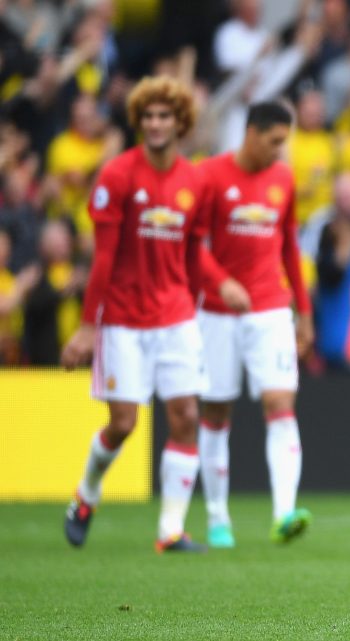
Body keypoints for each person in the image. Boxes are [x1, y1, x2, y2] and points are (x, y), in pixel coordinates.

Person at [61, 76, 210, 553]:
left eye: (164, 116)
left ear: (179, 122)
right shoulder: (117, 175)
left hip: (176, 316)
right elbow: (102, 258)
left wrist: (221, 283)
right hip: (123, 319)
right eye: (148, 116)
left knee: (186, 414)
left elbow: (194, 255)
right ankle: (86, 494)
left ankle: (170, 531)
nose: (155, 124)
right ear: (138, 122)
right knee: (123, 423)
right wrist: (88, 325)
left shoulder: (193, 180)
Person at [195, 101, 314, 548]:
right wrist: (219, 282)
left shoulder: (283, 179)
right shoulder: (210, 176)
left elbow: (289, 247)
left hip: (269, 309)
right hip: (218, 313)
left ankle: (284, 513)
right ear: (250, 133)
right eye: (274, 141)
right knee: (216, 412)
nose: (280, 151)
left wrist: (303, 312)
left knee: (281, 403)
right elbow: (193, 246)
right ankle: (217, 518)